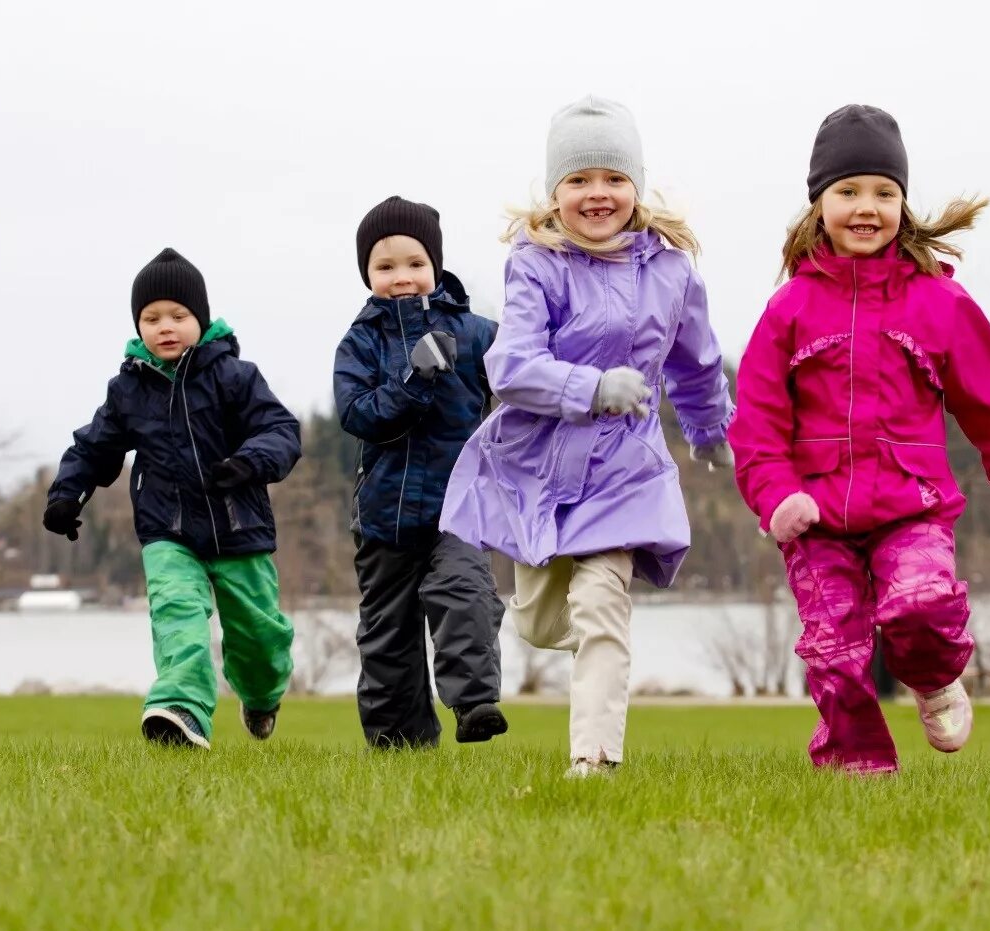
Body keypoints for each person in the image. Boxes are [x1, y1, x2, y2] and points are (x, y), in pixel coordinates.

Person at [729, 105, 990, 773]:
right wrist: (776, 494)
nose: (865, 207)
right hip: (815, 519)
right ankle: (856, 767)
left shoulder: (937, 302)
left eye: (883, 192)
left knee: (920, 603)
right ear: (819, 205)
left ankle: (933, 678)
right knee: (835, 649)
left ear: (904, 203)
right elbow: (756, 421)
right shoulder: (787, 309)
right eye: (847, 191)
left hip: (912, 506)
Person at [442, 97, 734, 777]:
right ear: (555, 193)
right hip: (537, 465)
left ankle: (593, 759)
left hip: (624, 470)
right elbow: (508, 367)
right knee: (540, 623)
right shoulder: (536, 263)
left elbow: (696, 363)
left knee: (602, 601)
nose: (596, 193)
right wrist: (590, 389)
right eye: (578, 180)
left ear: (635, 185)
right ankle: (589, 635)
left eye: (612, 177)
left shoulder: (671, 274)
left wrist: (709, 429)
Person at [45, 248, 301, 749]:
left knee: (259, 637)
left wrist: (249, 461)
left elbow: (281, 430)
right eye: (152, 318)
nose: (166, 326)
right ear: (138, 326)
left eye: (178, 316)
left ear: (200, 320)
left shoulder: (235, 376)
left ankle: (263, 695)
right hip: (168, 531)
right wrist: (66, 495)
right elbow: (94, 447)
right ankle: (179, 709)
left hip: (239, 527)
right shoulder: (128, 389)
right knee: (176, 613)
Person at [334, 197, 508, 749]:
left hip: (459, 506)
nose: (401, 277)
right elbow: (359, 415)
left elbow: (525, 382)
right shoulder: (360, 342)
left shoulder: (479, 333)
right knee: (387, 635)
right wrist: (414, 380)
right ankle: (397, 743)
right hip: (384, 515)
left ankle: (475, 703)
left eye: (414, 263)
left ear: (435, 264)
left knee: (465, 592)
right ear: (367, 273)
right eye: (384, 268)